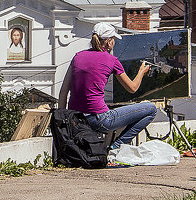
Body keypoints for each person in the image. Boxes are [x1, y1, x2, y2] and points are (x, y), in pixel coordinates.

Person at [59, 23, 157, 157]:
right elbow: (132, 88)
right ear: (109, 42)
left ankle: (114, 147)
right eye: (114, 40)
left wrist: (64, 120)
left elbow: (63, 92)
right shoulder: (112, 60)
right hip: (99, 119)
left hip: (75, 119)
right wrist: (141, 72)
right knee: (151, 109)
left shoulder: (77, 57)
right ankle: (116, 146)